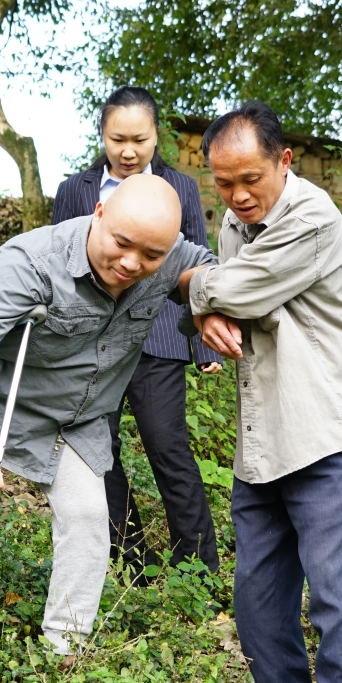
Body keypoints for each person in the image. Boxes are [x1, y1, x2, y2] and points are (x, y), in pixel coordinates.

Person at [0, 174, 216, 666]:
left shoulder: (165, 255)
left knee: (89, 519)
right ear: (98, 214)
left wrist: (208, 306)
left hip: (78, 420)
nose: (132, 263)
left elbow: (202, 267)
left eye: (151, 256)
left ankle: (61, 653)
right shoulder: (30, 261)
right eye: (121, 243)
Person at [183, 101, 342, 683]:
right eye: (223, 183)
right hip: (264, 437)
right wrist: (209, 314)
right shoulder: (238, 223)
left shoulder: (315, 218)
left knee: (336, 594)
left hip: (326, 431)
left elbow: (235, 288)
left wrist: (194, 291)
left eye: (251, 178)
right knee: (259, 596)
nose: (237, 196)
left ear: (284, 162)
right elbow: (232, 302)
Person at [53, 87, 222, 579]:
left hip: (160, 340)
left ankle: (198, 570)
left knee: (168, 450)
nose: (128, 152)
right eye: (117, 139)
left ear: (156, 137)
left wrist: (204, 337)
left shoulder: (182, 187)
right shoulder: (75, 191)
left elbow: (199, 262)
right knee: (95, 454)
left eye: (140, 140)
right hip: (91, 346)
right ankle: (132, 564)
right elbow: (60, 265)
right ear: (102, 135)